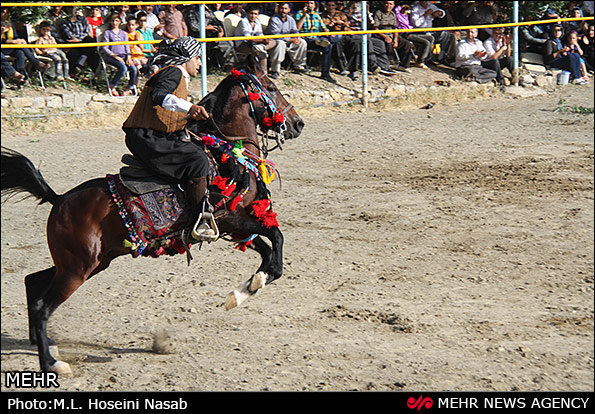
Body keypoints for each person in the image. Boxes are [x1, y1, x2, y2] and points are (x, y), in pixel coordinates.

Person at [122, 37, 215, 243]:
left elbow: (168, 115)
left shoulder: (177, 77)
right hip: (146, 137)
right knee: (198, 160)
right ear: (187, 58)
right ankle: (200, 220)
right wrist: (190, 108)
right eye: (197, 58)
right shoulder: (173, 72)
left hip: (152, 136)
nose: (199, 63)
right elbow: (159, 96)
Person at [234, 4, 284, 78]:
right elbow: (248, 38)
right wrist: (263, 40)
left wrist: (265, 40)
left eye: (255, 14)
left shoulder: (257, 22)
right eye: (251, 13)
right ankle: (264, 74)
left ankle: (275, 70)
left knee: (276, 42)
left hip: (255, 44)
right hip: (243, 44)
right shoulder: (243, 22)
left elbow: (260, 34)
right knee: (261, 52)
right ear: (248, 13)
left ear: (258, 15)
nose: (253, 16)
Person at [1, 6, 50, 79]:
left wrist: (19, 40)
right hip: (3, 47)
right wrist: (3, 32)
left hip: (9, 46)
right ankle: (15, 72)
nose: (5, 15)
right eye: (3, 13)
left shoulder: (9, 22)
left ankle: (21, 76)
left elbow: (15, 36)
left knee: (20, 52)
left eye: (7, 13)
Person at [296, 1, 337, 83]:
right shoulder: (300, 14)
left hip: (316, 37)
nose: (309, 5)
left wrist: (328, 32)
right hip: (305, 38)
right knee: (313, 41)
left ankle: (325, 73)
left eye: (311, 3)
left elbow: (323, 27)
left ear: (314, 6)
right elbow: (297, 28)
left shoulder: (316, 15)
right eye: (307, 3)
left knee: (328, 46)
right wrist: (304, 15)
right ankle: (318, 42)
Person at [185, 3, 233, 69]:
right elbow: (193, 27)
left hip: (213, 36)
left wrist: (221, 30)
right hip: (199, 37)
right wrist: (206, 28)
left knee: (228, 44)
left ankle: (219, 65)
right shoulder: (192, 12)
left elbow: (217, 22)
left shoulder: (209, 11)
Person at [101, 13, 138, 96]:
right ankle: (112, 86)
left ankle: (129, 87)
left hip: (123, 56)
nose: (114, 23)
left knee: (133, 69)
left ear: (120, 22)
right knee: (123, 68)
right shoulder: (108, 33)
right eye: (113, 21)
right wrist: (115, 56)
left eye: (116, 21)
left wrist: (128, 57)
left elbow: (126, 46)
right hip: (111, 56)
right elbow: (105, 48)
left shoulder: (123, 33)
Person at [372, 1, 413, 73]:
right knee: (388, 43)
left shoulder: (393, 14)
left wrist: (396, 39)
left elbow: (395, 28)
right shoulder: (378, 13)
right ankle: (388, 63)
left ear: (393, 5)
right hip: (381, 33)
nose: (388, 6)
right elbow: (375, 28)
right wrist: (385, 37)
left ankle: (403, 65)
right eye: (387, 3)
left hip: (391, 33)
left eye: (390, 4)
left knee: (406, 44)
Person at [267, 2, 308, 73]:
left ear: (289, 10)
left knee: (302, 42)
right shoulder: (274, 19)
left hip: (288, 40)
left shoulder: (290, 19)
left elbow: (295, 31)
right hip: (275, 41)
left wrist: (297, 37)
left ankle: (299, 66)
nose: (283, 10)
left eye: (285, 9)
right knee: (280, 44)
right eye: (282, 8)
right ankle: (275, 70)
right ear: (279, 9)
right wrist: (290, 39)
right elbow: (276, 35)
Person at [60, 6, 99, 77]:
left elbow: (87, 32)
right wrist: (79, 38)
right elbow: (69, 35)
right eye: (70, 8)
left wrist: (79, 39)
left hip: (83, 41)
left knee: (90, 41)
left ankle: (88, 70)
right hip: (73, 43)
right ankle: (75, 71)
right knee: (74, 53)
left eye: (74, 8)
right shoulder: (64, 22)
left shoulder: (83, 19)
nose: (73, 10)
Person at [395, 4, 434, 69]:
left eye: (407, 10)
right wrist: (402, 7)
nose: (406, 11)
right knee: (425, 42)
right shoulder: (398, 16)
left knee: (430, 38)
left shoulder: (406, 16)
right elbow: (397, 10)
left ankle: (426, 58)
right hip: (405, 34)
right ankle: (420, 61)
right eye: (404, 10)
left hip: (412, 32)